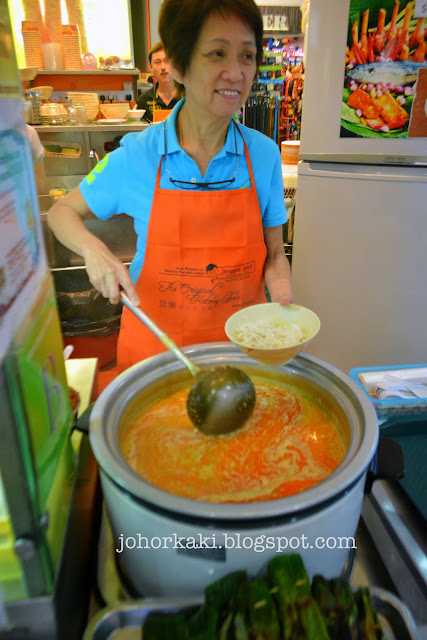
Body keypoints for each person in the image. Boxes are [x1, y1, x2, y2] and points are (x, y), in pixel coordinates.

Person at [47, 0, 293, 374]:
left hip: (243, 355)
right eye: (217, 53)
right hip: (156, 354)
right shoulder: (138, 154)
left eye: (247, 56)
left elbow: (275, 254)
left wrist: (286, 310)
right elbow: (61, 212)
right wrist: (93, 249)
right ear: (177, 64)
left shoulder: (264, 155)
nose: (236, 72)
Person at [137, 41, 180, 123]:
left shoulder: (187, 96)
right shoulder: (145, 99)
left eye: (166, 61)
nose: (163, 67)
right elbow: (142, 133)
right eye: (157, 62)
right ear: (150, 67)